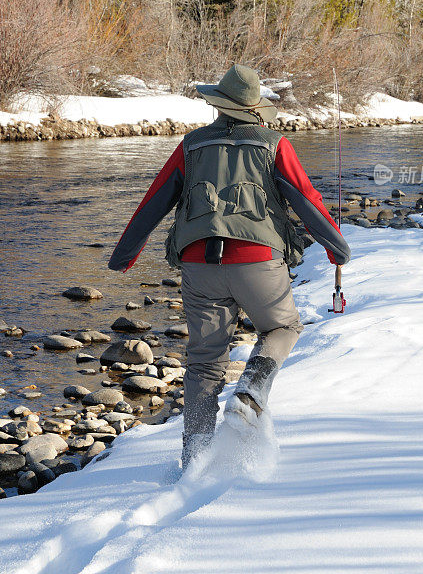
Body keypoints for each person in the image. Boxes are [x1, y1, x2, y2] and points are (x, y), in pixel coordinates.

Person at [108, 64, 351, 468]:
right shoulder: (274, 144)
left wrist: (125, 255)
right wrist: (335, 249)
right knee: (283, 327)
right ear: (255, 108)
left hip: (199, 264)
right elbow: (305, 199)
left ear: (219, 106)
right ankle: (251, 390)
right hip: (258, 261)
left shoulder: (190, 146)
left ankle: (196, 459)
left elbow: (154, 201)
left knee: (204, 362)